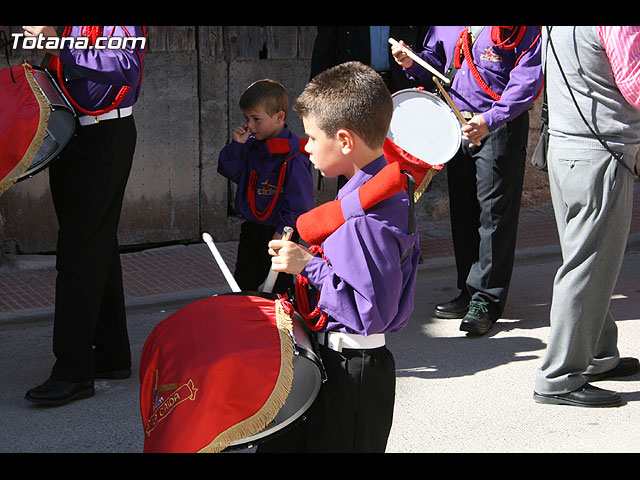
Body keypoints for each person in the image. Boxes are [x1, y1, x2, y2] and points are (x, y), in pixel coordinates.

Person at [256, 61, 421, 452]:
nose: (306, 146)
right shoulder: (361, 192)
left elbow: (371, 314)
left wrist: (307, 266)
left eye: (312, 138)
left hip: (354, 371)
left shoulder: (367, 218)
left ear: (345, 141)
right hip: (337, 360)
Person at [392, 26, 543, 335]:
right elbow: (434, 59)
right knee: (463, 210)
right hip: (456, 123)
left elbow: (527, 79)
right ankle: (469, 290)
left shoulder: (523, 29)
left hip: (496, 124)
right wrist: (411, 62)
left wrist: (491, 119)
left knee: (494, 214)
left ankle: (487, 300)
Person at [24, 25, 146, 406]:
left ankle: (72, 373)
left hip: (102, 135)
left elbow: (126, 65)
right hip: (73, 133)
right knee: (96, 244)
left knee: (78, 252)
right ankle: (111, 355)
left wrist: (56, 41)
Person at [532, 26, 640, 408]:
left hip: (566, 147)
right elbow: (635, 86)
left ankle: (598, 352)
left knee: (588, 260)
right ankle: (559, 377)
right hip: (600, 151)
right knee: (587, 265)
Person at [218, 79, 314, 293]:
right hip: (251, 229)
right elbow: (230, 170)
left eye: (256, 119)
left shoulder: (293, 155)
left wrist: (284, 231)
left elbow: (300, 202)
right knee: (245, 285)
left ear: (279, 117)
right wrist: (237, 146)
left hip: (279, 233)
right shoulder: (251, 146)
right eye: (247, 118)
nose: (250, 125)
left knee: (278, 292)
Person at [310, 26, 430, 93]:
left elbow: (429, 49)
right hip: (355, 86)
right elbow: (324, 51)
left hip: (403, 87)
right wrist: (316, 93)